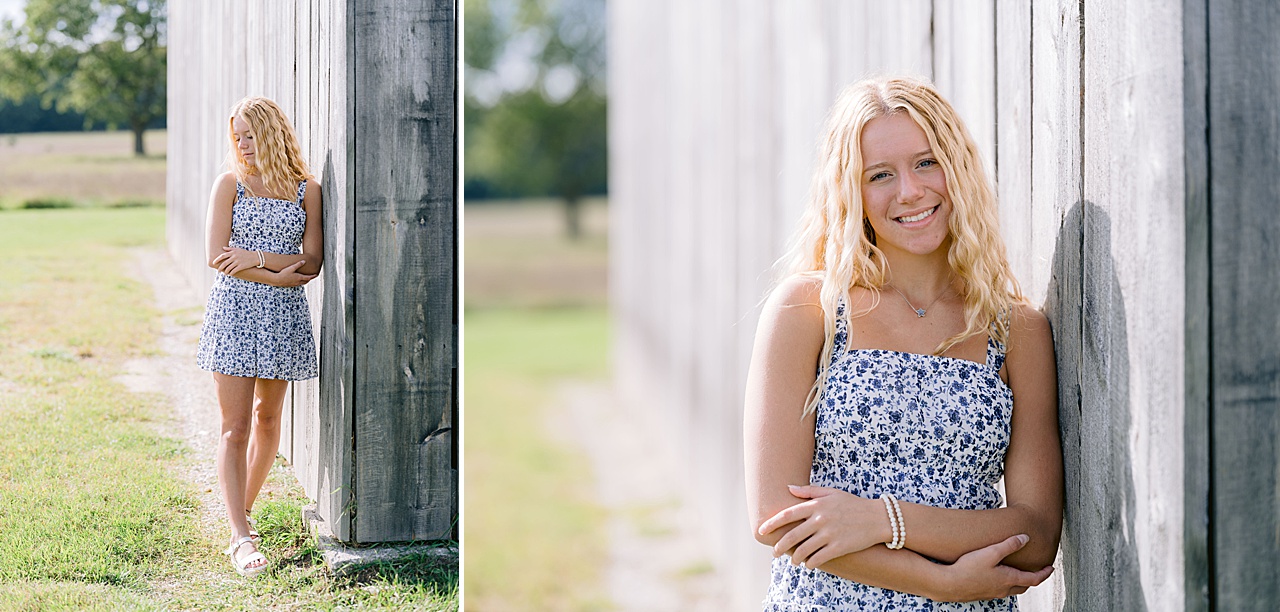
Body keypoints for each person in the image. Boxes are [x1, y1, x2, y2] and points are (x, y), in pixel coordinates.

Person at [744, 76, 1063, 609]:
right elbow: (778, 520)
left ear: (956, 168)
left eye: (926, 162)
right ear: (851, 190)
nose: (909, 191)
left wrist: (879, 519)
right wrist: (941, 583)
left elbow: (1033, 534)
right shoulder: (810, 311)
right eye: (880, 175)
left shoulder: (1016, 329)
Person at [197, 96, 322, 578]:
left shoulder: (305, 189)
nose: (243, 145)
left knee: (268, 420)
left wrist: (255, 257)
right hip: (234, 312)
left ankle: (239, 516)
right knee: (235, 427)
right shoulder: (230, 184)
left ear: (272, 132)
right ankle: (241, 538)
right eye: (238, 136)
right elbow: (217, 256)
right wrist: (271, 270)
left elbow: (310, 263)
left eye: (250, 134)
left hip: (283, 317)